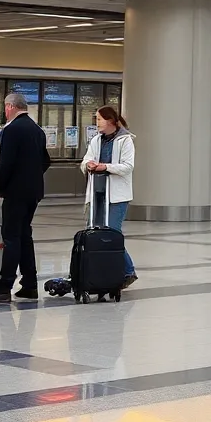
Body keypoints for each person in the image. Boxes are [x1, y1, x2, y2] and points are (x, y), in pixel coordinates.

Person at [0, 93, 51, 303]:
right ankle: (29, 284)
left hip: (16, 193)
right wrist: (31, 177)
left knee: (11, 237)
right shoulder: (37, 130)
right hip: (33, 192)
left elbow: (6, 164)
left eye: (5, 108)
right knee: (25, 235)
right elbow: (46, 161)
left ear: (10, 107)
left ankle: (4, 287)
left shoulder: (11, 130)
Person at [80, 106, 137, 287]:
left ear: (110, 120)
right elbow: (85, 160)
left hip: (117, 197)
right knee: (95, 233)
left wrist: (106, 167)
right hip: (98, 193)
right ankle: (102, 272)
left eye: (99, 119)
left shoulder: (125, 140)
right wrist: (88, 165)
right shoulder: (96, 140)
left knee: (112, 232)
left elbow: (128, 166)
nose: (96, 123)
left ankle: (128, 271)